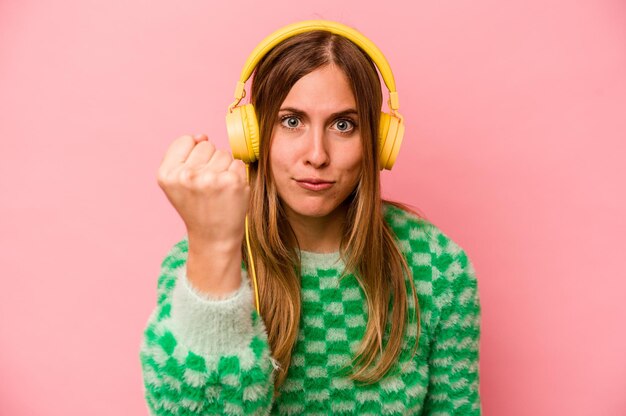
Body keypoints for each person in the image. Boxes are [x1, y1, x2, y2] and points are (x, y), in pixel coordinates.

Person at [140, 20, 481, 415]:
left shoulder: (439, 269)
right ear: (253, 134)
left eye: (343, 125)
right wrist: (214, 248)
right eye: (292, 121)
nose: (316, 154)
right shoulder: (195, 269)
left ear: (377, 141)